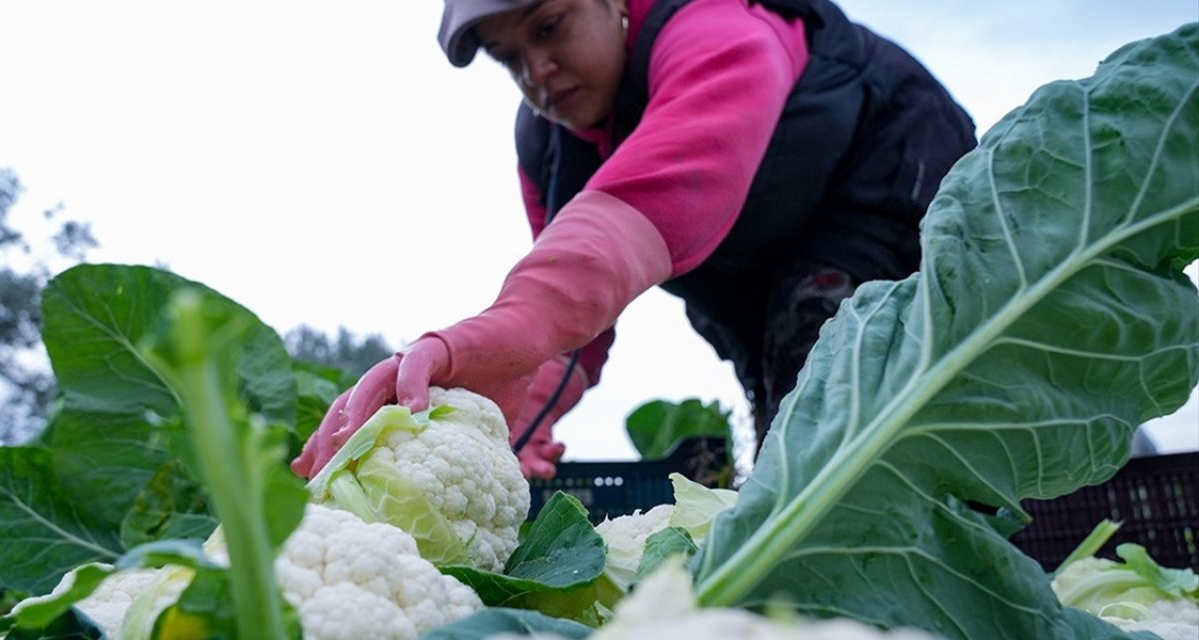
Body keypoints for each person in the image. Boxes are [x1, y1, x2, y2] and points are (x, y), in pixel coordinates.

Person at [291, 0, 977, 480]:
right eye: (510, 58)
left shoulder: (718, 29)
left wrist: (488, 330)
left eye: (550, 26)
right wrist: (499, 429)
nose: (537, 71)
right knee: (785, 426)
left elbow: (648, 202)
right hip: (754, 283)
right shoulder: (547, 143)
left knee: (836, 415)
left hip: (894, 192)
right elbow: (571, 328)